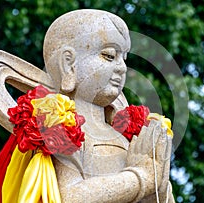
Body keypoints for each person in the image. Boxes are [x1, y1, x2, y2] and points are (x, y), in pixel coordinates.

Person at [42, 9, 175, 203]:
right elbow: (69, 197)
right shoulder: (62, 126)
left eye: (124, 58)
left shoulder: (126, 139)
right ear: (69, 64)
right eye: (109, 56)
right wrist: (141, 178)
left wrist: (159, 186)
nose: (122, 67)